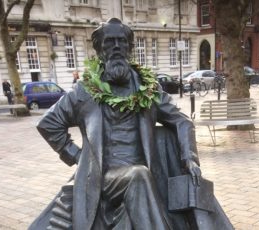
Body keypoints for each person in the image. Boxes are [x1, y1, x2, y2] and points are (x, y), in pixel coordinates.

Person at [28, 18, 233, 230]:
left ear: (130, 48)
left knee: (140, 175)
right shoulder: (84, 91)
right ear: (99, 50)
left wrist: (190, 159)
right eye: (109, 42)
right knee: (138, 175)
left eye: (122, 41)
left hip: (145, 174)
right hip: (102, 177)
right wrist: (78, 157)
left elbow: (182, 121)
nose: (116, 47)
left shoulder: (148, 88)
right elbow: (48, 123)